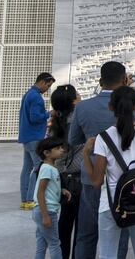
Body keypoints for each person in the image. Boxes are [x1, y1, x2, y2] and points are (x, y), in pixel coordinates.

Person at [68, 61, 135, 259]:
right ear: (124, 80)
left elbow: (73, 140)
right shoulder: (133, 106)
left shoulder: (83, 107)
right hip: (124, 179)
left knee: (86, 234)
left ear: (100, 80)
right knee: (120, 233)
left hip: (92, 175)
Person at [83, 87, 135, 259]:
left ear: (110, 107)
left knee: (108, 254)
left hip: (111, 203)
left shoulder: (103, 138)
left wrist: (86, 153)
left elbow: (96, 181)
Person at [48, 85, 83, 259]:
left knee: (64, 222)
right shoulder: (77, 121)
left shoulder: (55, 122)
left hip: (61, 178)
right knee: (81, 226)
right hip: (78, 179)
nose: (80, 95)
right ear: (72, 101)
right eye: (77, 94)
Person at [20, 73, 55, 210]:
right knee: (38, 168)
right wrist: (49, 114)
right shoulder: (36, 97)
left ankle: (25, 199)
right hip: (34, 137)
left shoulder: (28, 94)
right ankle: (30, 199)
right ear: (41, 82)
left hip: (27, 136)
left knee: (26, 168)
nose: (47, 88)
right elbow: (35, 117)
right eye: (48, 85)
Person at [33, 137, 71, 259]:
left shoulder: (50, 168)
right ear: (46, 153)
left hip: (42, 211)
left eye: (61, 147)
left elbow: (49, 187)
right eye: (57, 148)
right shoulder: (47, 169)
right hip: (47, 211)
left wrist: (61, 190)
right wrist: (45, 216)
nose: (62, 150)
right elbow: (40, 192)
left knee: (41, 243)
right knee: (55, 243)